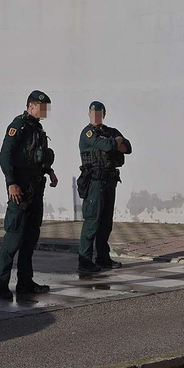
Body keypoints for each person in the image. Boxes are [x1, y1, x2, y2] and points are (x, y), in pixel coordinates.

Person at [0, 90, 59, 299]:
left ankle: (25, 283)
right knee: (13, 240)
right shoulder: (19, 126)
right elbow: (5, 156)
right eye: (41, 107)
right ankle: (2, 285)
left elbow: (36, 159)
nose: (44, 111)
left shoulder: (37, 128)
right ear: (31, 106)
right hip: (20, 193)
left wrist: (49, 171)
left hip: (35, 191)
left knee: (30, 240)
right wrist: (11, 183)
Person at [77, 101, 131, 275]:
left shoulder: (110, 131)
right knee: (92, 221)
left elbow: (127, 148)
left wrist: (116, 142)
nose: (96, 116)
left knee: (106, 222)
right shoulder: (88, 132)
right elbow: (107, 146)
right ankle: (84, 260)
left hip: (109, 180)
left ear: (104, 114)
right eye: (93, 113)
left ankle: (103, 257)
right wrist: (114, 143)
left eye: (99, 113)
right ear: (89, 115)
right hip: (94, 181)